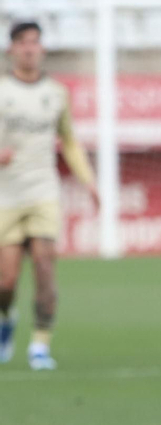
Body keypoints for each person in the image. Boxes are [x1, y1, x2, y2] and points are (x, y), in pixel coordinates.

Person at [0, 22, 99, 371]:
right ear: (12, 49)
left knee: (45, 265)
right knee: (5, 281)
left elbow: (68, 140)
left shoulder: (57, 93)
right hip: (6, 196)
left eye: (34, 42)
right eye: (22, 43)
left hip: (44, 191)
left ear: (42, 49)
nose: (29, 49)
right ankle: (6, 318)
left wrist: (89, 180)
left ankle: (40, 345)